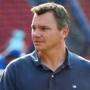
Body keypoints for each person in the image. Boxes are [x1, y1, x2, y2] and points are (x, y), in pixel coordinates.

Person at [0, 2, 90, 90]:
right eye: (34, 28)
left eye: (44, 28)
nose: (36, 34)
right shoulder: (15, 70)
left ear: (64, 32)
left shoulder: (86, 70)